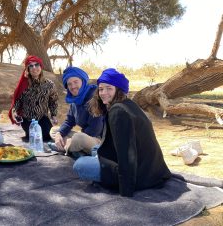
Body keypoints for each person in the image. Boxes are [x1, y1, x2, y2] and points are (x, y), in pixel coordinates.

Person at [73, 68, 171, 197]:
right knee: (96, 149)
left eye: (109, 88)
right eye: (101, 89)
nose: (103, 93)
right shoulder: (128, 104)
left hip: (140, 176)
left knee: (80, 165)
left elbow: (128, 154)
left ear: (118, 90)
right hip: (152, 170)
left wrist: (126, 190)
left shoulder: (118, 112)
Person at [51, 67, 104, 154]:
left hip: (98, 139)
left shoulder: (94, 98)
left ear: (83, 81)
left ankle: (65, 147)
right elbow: (69, 121)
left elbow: (95, 129)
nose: (73, 86)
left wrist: (74, 138)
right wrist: (59, 134)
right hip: (83, 135)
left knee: (78, 139)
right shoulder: (74, 100)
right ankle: (73, 148)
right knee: (54, 130)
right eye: (69, 84)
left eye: (76, 82)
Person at [9, 55, 58, 141]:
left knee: (48, 136)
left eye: (37, 65)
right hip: (28, 120)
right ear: (27, 69)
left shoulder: (49, 84)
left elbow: (53, 101)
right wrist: (14, 113)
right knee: (34, 138)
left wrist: (53, 115)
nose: (34, 68)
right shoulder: (24, 85)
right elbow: (17, 101)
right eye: (31, 66)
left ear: (41, 67)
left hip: (43, 118)